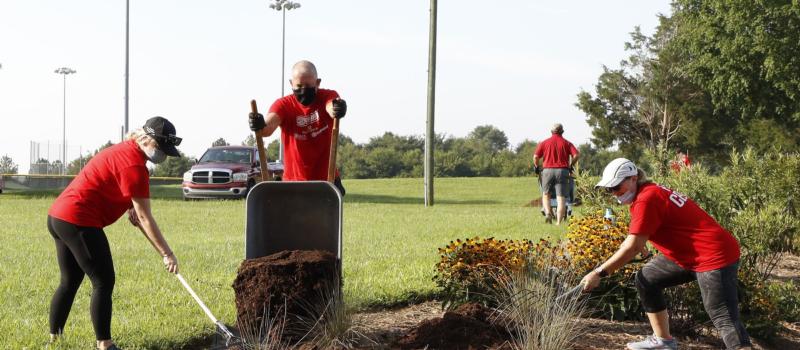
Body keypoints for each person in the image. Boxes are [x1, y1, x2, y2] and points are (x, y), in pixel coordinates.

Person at [580, 158, 751, 350]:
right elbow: (646, 232)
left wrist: (599, 272)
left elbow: (632, 246)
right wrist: (641, 243)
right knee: (647, 279)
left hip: (713, 256)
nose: (613, 193)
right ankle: (663, 342)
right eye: (609, 189)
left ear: (633, 178)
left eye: (616, 187)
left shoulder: (646, 197)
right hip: (687, 255)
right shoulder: (646, 193)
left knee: (722, 314)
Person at [46, 117, 182, 350]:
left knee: (70, 281)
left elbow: (111, 182)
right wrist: (167, 253)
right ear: (147, 139)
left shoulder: (124, 150)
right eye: (161, 148)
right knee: (103, 281)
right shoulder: (135, 166)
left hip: (58, 216)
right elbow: (144, 217)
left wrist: (129, 205)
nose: (163, 155)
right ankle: (105, 344)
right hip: (79, 219)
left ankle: (54, 341)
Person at [249, 60, 348, 195]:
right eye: (299, 86)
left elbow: (331, 107)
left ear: (317, 83)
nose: (303, 90)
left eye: (308, 85)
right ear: (291, 84)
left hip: (326, 181)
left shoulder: (327, 96)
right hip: (293, 183)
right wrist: (259, 123)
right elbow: (267, 128)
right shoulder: (283, 105)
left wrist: (337, 108)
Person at [532, 123, 579, 224]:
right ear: (562, 132)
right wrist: (571, 165)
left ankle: (548, 213)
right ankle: (558, 223)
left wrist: (536, 167)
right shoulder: (567, 143)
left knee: (546, 194)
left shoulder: (544, 143)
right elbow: (576, 155)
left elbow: (535, 156)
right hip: (563, 171)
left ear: (551, 132)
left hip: (547, 171)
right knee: (561, 198)